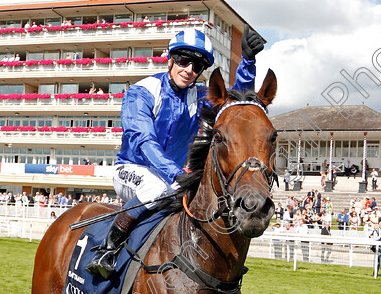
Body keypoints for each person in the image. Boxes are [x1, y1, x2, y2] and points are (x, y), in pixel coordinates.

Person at [85, 26, 265, 278]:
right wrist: (174, 173)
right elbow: (143, 140)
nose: (189, 70)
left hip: (175, 177)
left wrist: (248, 62)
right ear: (170, 59)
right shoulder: (142, 91)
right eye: (184, 61)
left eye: (197, 67)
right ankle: (107, 249)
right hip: (132, 169)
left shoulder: (198, 96)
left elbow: (233, 103)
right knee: (157, 189)